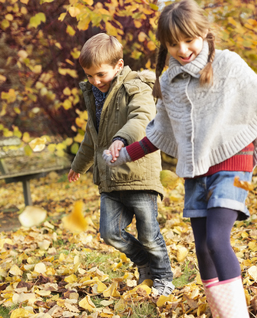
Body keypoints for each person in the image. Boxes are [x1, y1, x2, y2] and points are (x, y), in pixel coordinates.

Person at [103, 0, 257, 316]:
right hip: (196, 171)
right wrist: (124, 154)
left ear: (203, 33)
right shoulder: (169, 84)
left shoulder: (228, 64)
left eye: (189, 40)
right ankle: (222, 312)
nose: (183, 49)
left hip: (233, 164)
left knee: (216, 239)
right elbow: (160, 133)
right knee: (201, 248)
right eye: (173, 43)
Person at [68, 33, 174, 296]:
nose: (95, 81)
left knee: (149, 234)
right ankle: (144, 264)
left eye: (100, 74)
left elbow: (143, 117)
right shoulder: (93, 95)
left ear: (118, 65)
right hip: (109, 179)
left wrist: (120, 139)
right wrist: (78, 166)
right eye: (90, 76)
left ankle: (163, 278)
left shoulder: (136, 86)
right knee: (110, 232)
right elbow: (91, 137)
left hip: (138, 174)